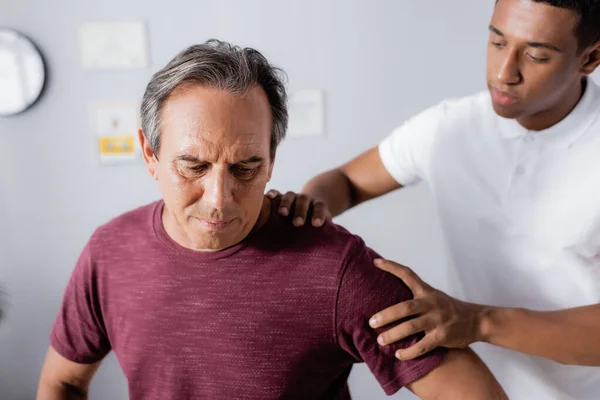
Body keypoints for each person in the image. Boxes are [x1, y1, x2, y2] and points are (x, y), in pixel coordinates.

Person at [36, 40, 506, 400]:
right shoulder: (109, 252)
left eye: (245, 168)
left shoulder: (337, 269)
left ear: (272, 159)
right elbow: (63, 383)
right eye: (193, 167)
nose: (219, 200)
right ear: (149, 154)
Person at [269, 0, 600, 398]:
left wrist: (479, 323)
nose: (503, 72)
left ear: (591, 57)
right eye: (496, 42)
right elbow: (346, 182)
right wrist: (313, 204)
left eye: (535, 55)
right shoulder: (450, 128)